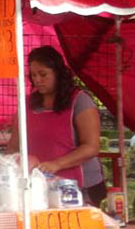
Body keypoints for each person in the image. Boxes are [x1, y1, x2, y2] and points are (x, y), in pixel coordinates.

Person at [9, 46, 105, 206]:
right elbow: (14, 144)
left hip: (82, 188)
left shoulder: (80, 101)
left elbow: (91, 147)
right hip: (41, 187)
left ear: (58, 73)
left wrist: (57, 164)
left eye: (43, 74)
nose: (37, 80)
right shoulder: (26, 104)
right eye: (33, 75)